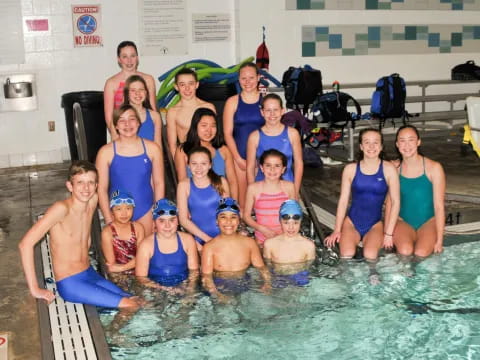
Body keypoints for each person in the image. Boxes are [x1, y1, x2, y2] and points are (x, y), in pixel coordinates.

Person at [18, 161, 141, 309]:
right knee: (129, 305)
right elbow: (25, 244)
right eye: (80, 183)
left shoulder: (92, 200)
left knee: (137, 301)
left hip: (89, 273)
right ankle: (119, 329)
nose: (86, 188)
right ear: (70, 186)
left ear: (96, 185)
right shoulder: (61, 209)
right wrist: (35, 289)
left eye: (90, 182)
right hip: (70, 282)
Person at [324, 128, 400, 282]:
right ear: (361, 146)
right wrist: (337, 230)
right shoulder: (350, 169)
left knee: (370, 256)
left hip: (375, 224)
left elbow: (396, 202)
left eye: (375, 143)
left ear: (381, 146)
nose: (371, 147)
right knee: (346, 255)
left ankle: (373, 276)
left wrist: (389, 234)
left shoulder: (389, 169)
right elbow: (343, 201)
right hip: (352, 222)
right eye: (367, 142)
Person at [96, 104, 164, 236]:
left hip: (146, 211)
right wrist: (109, 218)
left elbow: (159, 183)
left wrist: (158, 214)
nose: (127, 124)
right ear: (115, 126)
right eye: (122, 120)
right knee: (122, 255)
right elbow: (101, 189)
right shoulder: (105, 152)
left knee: (147, 253)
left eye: (132, 119)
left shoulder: (153, 149)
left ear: (139, 123)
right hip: (118, 212)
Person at [388, 125, 446, 258]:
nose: (406, 145)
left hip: (428, 222)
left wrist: (440, 241)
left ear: (418, 142)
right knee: (404, 251)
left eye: (411, 140)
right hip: (402, 221)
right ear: (397, 144)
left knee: (421, 253)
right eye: (402, 140)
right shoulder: (394, 168)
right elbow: (390, 202)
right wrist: (387, 234)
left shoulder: (434, 168)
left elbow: (439, 206)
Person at [201, 198, 271, 302]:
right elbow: (206, 277)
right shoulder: (209, 247)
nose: (228, 221)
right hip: (220, 287)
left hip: (245, 286)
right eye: (223, 217)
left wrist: (268, 284)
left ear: (239, 221)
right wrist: (218, 295)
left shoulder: (249, 243)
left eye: (233, 217)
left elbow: (261, 268)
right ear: (217, 221)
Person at [223, 62, 264, 210]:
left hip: (262, 156)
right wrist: (237, 158)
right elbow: (227, 133)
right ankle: (241, 226)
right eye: (243, 78)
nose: (247, 82)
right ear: (238, 80)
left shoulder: (265, 101)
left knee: (260, 194)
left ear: (258, 77)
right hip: (239, 155)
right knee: (242, 196)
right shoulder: (232, 102)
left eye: (251, 78)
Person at [174, 107, 238, 200]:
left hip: (221, 202)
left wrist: (233, 205)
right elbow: (182, 182)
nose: (209, 130)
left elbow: (232, 182)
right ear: (195, 126)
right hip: (195, 202)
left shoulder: (223, 150)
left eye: (213, 126)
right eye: (204, 125)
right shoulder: (183, 150)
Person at [246, 93, 303, 194]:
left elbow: (298, 164)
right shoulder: (254, 137)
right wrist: (252, 193)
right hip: (262, 189)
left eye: (275, 110)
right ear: (262, 112)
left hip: (287, 188)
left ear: (282, 111)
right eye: (268, 110)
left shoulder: (292, 134)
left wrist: (295, 191)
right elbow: (250, 167)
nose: (272, 114)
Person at [135, 199, 199, 290]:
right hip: (156, 289)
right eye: (162, 221)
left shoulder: (188, 240)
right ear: (154, 223)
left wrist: (189, 292)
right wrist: (165, 289)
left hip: (184, 286)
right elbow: (141, 279)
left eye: (172, 220)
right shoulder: (146, 245)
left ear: (178, 221)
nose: (167, 225)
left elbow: (194, 273)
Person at [177, 146, 230, 250]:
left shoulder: (221, 182)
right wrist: (207, 240)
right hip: (198, 239)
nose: (198, 168)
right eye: (194, 164)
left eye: (203, 164)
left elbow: (229, 213)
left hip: (223, 235)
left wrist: (226, 236)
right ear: (188, 165)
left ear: (210, 165)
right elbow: (183, 220)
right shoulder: (184, 185)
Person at [104, 41, 156, 140]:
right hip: (123, 132)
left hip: (145, 129)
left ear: (137, 57)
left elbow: (152, 109)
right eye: (124, 57)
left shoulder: (148, 80)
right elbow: (109, 118)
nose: (129, 61)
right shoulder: (112, 83)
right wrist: (117, 138)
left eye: (132, 56)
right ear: (119, 59)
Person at [243, 149, 296, 247]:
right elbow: (246, 216)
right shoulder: (253, 188)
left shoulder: (289, 187)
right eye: (268, 165)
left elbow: (294, 215)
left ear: (283, 169)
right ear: (262, 168)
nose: (272, 169)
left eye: (277, 166)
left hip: (284, 238)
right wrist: (261, 228)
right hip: (261, 240)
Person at [263, 200, 316, 287]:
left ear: (301, 221)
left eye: (295, 223)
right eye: (286, 223)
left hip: (300, 280)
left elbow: (310, 269)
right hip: (278, 278)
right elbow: (267, 268)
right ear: (280, 221)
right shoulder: (269, 244)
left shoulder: (308, 246)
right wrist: (267, 283)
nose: (291, 227)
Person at [166, 68, 216, 157]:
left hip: (209, 157)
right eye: (182, 85)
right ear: (176, 87)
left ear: (197, 84)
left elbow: (215, 138)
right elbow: (172, 145)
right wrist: (178, 167)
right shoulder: (173, 112)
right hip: (187, 158)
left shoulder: (208, 107)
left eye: (191, 84)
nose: (187, 88)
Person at [101, 190, 145, 276]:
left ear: (133, 209)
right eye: (118, 209)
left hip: (139, 270)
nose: (124, 213)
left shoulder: (138, 228)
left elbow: (143, 257)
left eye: (128, 208)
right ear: (112, 211)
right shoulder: (107, 233)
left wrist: (123, 267)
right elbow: (112, 266)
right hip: (119, 275)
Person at [122, 75, 162, 147]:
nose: (138, 93)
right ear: (127, 94)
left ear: (146, 93)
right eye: (133, 90)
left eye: (141, 89)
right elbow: (115, 146)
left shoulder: (155, 116)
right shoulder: (119, 116)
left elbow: (158, 146)